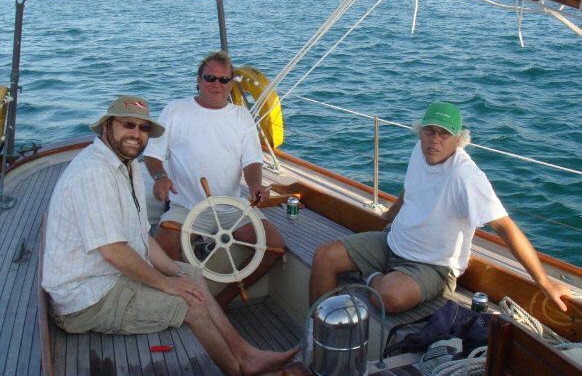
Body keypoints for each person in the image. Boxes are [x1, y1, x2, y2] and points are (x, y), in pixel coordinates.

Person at [42, 95, 297, 375]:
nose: (136, 135)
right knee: (191, 305)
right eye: (128, 125)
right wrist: (168, 285)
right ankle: (239, 371)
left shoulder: (126, 166)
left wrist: (177, 274)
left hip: (108, 278)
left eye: (143, 129)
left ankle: (245, 353)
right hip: (86, 299)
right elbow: (114, 251)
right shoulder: (93, 173)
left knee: (193, 277)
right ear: (107, 126)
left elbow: (141, 237)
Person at [309, 101, 571, 313]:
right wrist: (388, 216)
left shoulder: (466, 176)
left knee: (386, 297)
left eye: (445, 134)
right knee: (323, 257)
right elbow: (409, 188)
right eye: (430, 131)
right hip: (392, 241)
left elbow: (504, 226)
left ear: (459, 141)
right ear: (420, 132)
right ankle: (313, 336)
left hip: (432, 266)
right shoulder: (419, 150)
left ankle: (371, 274)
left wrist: (545, 282)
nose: (435, 140)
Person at [144, 51, 285, 308]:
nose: (216, 85)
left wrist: (255, 185)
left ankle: (221, 302)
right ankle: (182, 307)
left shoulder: (242, 117)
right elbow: (153, 155)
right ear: (198, 79)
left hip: (231, 206)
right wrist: (160, 177)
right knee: (160, 252)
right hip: (185, 206)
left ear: (231, 83)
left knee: (274, 248)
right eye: (210, 78)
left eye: (223, 80)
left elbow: (252, 162)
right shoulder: (175, 110)